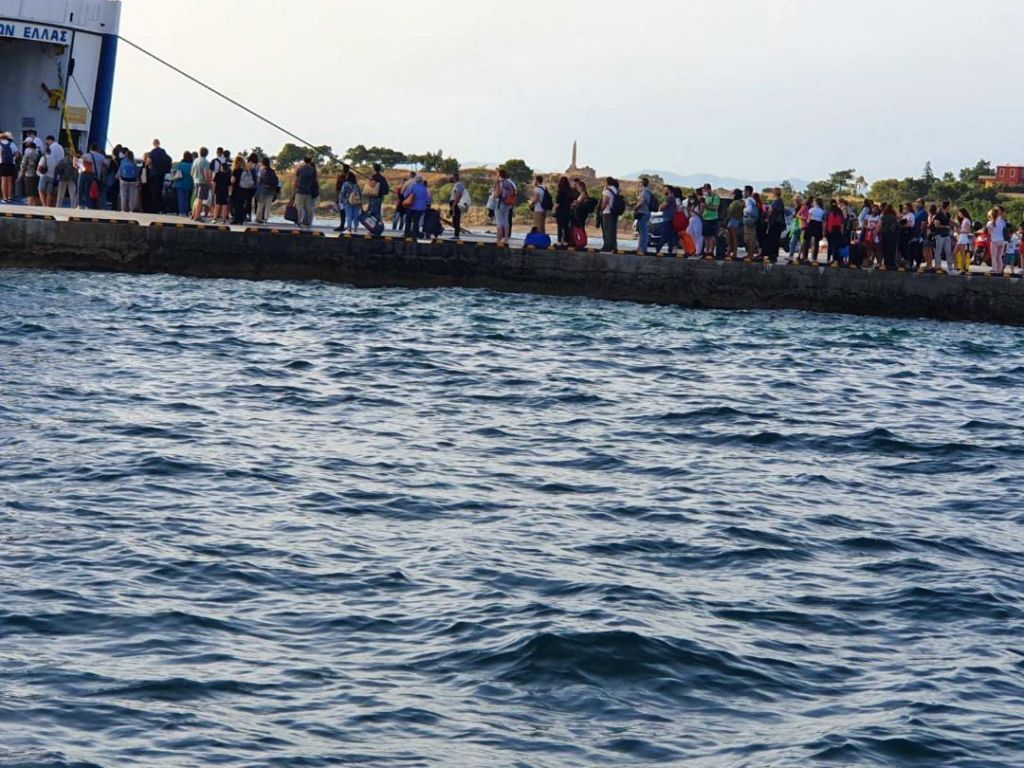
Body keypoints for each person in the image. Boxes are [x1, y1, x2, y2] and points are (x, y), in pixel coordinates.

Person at [292, 155, 318, 228]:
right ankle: (308, 223)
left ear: (304, 160)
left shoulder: (300, 169)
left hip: (300, 191)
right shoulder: (313, 170)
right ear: (310, 161)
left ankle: (299, 222)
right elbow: (315, 181)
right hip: (309, 192)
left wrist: (294, 191)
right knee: (309, 208)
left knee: (299, 208)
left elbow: (296, 179)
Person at [493, 167, 516, 246]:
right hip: (508, 204)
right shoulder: (509, 183)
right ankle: (506, 239)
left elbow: (497, 194)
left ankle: (498, 240)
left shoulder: (499, 182)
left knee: (499, 223)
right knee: (506, 222)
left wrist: (492, 195)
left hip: (499, 204)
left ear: (499, 175)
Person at [147, 139, 170, 213]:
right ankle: (161, 208)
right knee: (160, 191)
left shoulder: (152, 152)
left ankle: (155, 208)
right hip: (161, 174)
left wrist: (149, 165)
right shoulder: (163, 151)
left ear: (153, 144)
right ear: (159, 143)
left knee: (154, 192)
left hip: (154, 174)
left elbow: (148, 162)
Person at [655, 185, 679, 256]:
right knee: (669, 236)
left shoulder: (669, 198)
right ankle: (670, 250)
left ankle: (658, 248)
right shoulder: (672, 198)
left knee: (664, 235)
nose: (664, 191)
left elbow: (662, 206)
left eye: (665, 189)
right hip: (670, 218)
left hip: (667, 219)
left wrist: (660, 207)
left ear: (669, 190)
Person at [254, 157, 278, 224]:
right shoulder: (272, 171)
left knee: (260, 205)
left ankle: (258, 218)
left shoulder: (261, 170)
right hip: (271, 191)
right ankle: (266, 219)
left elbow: (259, 181)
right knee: (268, 206)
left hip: (263, 190)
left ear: (262, 163)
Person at [801, 197, 825, 263]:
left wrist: (806, 222)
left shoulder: (811, 209)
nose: (813, 203)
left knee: (807, 241)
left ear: (816, 202)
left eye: (814, 201)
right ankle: (814, 258)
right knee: (816, 243)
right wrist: (823, 231)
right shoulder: (822, 211)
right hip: (818, 225)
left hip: (811, 224)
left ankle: (805, 257)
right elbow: (823, 221)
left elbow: (808, 219)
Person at [634, 176, 654, 253]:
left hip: (643, 213)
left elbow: (641, 202)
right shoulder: (647, 192)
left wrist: (636, 207)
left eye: (640, 183)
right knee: (642, 231)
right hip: (646, 213)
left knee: (643, 232)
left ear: (642, 183)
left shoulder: (645, 192)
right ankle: (640, 247)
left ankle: (642, 248)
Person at [191, 147, 212, 221]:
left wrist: (194, 179)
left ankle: (193, 214)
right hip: (203, 182)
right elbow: (206, 174)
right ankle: (197, 216)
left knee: (197, 199)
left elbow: (191, 172)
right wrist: (209, 183)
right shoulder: (206, 162)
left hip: (196, 181)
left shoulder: (195, 161)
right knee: (200, 199)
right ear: (207, 153)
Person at [600, 176, 620, 253]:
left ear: (607, 182)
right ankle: (613, 246)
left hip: (607, 212)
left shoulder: (607, 191)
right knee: (613, 230)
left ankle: (607, 246)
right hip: (614, 212)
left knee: (607, 230)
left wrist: (601, 209)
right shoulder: (615, 190)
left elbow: (605, 201)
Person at [766, 188, 786, 262]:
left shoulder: (777, 201)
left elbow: (771, 211)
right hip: (778, 223)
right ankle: (773, 255)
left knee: (773, 239)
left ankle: (772, 255)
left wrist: (768, 214)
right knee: (775, 239)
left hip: (775, 223)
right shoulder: (780, 201)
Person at [932, 200, 953, 272]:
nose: (950, 207)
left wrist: (953, 225)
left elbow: (949, 222)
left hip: (946, 235)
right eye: (949, 205)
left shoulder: (948, 214)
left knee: (948, 251)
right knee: (938, 251)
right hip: (939, 235)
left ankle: (950, 267)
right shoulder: (938, 214)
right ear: (947, 206)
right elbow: (936, 225)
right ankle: (937, 266)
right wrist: (946, 226)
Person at [172, 151, 194, 216]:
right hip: (189, 184)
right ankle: (186, 211)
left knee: (181, 199)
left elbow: (174, 173)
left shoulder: (180, 165)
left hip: (180, 184)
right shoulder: (192, 165)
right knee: (187, 199)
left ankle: (182, 212)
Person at [986, 207, 1007, 276]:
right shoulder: (1002, 221)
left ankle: (994, 270)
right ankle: (1000, 270)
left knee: (994, 257)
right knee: (999, 257)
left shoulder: (989, 223)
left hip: (994, 241)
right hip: (1002, 241)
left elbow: (989, 233)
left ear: (991, 215)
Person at [879, 203, 900, 270]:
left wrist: (878, 232)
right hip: (893, 235)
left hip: (885, 234)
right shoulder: (895, 217)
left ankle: (886, 262)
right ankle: (892, 263)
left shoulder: (883, 216)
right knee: (892, 249)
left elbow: (879, 226)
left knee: (885, 249)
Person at [554, 176, 574, 247]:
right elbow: (571, 201)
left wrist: (553, 209)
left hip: (560, 211)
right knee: (566, 226)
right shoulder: (570, 191)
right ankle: (566, 241)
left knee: (560, 226)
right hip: (567, 210)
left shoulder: (560, 191)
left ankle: (560, 241)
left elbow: (558, 202)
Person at [19, 139, 40, 206]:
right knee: (34, 192)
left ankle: (30, 205)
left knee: (29, 192)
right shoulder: (38, 153)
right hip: (37, 175)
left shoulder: (28, 154)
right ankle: (33, 204)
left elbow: (23, 165)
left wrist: (22, 173)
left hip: (29, 174)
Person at [953, 208, 973, 274]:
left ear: (963, 213)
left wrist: (960, 231)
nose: (959, 215)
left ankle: (962, 268)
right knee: (956, 253)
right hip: (961, 237)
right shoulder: (964, 220)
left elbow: (969, 231)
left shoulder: (967, 220)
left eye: (959, 213)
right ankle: (958, 268)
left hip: (963, 238)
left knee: (960, 254)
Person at [742, 186, 760, 259]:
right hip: (753, 220)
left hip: (749, 220)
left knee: (749, 238)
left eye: (744, 191)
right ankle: (750, 254)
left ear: (748, 192)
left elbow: (749, 210)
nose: (743, 193)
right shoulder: (753, 200)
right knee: (751, 238)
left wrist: (744, 210)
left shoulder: (748, 200)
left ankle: (750, 254)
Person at [212, 157, 232, 224]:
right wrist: (230, 193)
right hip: (225, 192)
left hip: (218, 191)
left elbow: (214, 183)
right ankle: (223, 219)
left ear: (221, 167)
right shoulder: (228, 175)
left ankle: (215, 218)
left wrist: (213, 191)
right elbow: (229, 185)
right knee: (224, 206)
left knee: (217, 205)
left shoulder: (217, 174)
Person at [449, 171, 466, 239]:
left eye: (452, 177)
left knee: (456, 219)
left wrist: (453, 205)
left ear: (455, 178)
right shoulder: (457, 184)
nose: (451, 178)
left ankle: (456, 235)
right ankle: (456, 234)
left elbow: (458, 195)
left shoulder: (458, 185)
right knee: (455, 219)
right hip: (455, 203)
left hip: (455, 203)